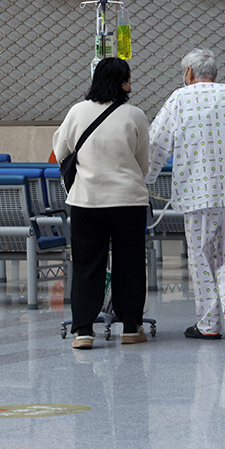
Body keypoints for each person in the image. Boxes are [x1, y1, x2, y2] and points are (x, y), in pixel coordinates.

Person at [145, 48, 225, 341]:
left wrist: (142, 181)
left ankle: (209, 324)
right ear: (215, 74)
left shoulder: (179, 98)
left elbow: (156, 145)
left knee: (202, 256)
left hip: (197, 193)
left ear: (188, 73)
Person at [53, 58, 151, 349]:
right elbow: (144, 163)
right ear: (122, 82)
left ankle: (83, 330)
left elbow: (60, 152)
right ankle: (131, 328)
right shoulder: (135, 115)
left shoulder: (77, 112)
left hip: (87, 201)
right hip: (128, 202)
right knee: (130, 263)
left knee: (86, 265)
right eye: (128, 79)